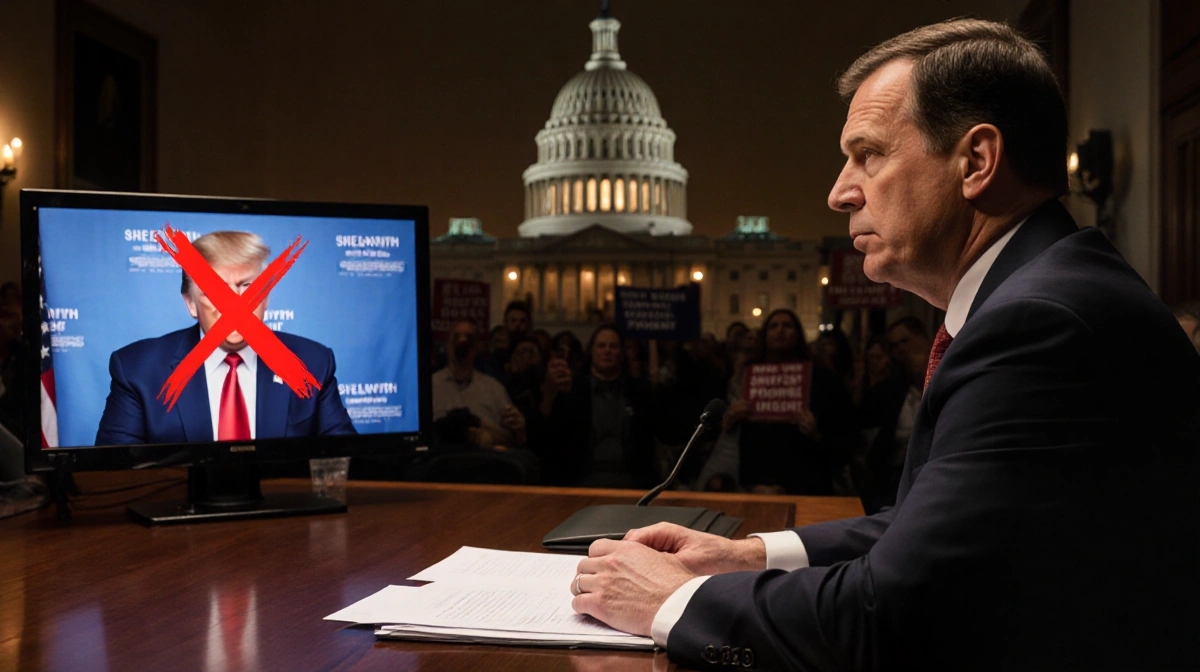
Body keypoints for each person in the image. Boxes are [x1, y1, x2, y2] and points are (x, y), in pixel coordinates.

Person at [568, 19, 1200, 670]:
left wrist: (678, 598)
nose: (839, 192)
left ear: (976, 161)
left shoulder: (1038, 325)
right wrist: (746, 555)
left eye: (868, 154)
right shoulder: (1042, 292)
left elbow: (893, 616)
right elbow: (925, 529)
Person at [95, 231, 356, 445]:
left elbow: (346, 463)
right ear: (191, 304)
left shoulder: (312, 363)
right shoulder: (136, 369)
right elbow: (114, 474)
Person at [717, 309, 856, 495]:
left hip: (807, 482)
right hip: (755, 483)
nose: (780, 330)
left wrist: (816, 433)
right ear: (764, 335)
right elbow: (725, 434)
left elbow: (845, 433)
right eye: (774, 326)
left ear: (798, 333)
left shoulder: (822, 378)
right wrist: (729, 420)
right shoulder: (745, 376)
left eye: (787, 325)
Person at [544, 324, 657, 488]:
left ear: (622, 354)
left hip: (631, 481)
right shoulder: (573, 389)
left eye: (613, 346)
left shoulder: (638, 391)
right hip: (581, 480)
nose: (607, 351)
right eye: (601, 346)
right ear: (592, 351)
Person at [431, 318, 526, 448]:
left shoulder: (495, 389)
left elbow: (512, 438)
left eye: (469, 337)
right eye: (457, 336)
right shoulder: (429, 387)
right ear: (447, 344)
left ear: (477, 347)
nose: (462, 341)